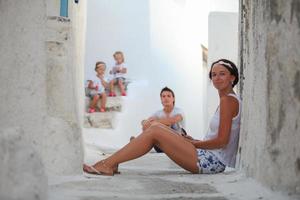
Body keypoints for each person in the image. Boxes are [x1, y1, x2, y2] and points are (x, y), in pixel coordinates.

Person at [83, 58, 241, 175]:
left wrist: (194, 143)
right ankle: (113, 162)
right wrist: (193, 142)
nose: (217, 78)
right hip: (207, 157)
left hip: (211, 162)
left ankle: (108, 164)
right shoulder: (227, 100)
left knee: (155, 131)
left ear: (232, 78)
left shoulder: (228, 101)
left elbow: (222, 141)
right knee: (154, 127)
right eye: (213, 74)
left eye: (222, 74)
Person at [135, 87, 186, 153]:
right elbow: (144, 123)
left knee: (161, 125)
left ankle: (138, 144)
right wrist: (145, 122)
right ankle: (138, 143)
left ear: (173, 99)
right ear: (161, 99)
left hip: (177, 143)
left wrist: (155, 122)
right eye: (163, 96)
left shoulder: (179, 111)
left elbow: (171, 121)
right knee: (149, 127)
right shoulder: (158, 113)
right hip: (162, 144)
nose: (166, 98)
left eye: (168, 96)